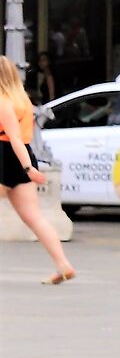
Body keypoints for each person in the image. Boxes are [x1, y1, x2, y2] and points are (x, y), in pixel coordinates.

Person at [0, 56, 73, 284]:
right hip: (21, 156)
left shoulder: (3, 102)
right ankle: (63, 264)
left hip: (6, 156)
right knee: (35, 217)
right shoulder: (22, 99)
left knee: (33, 217)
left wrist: (28, 168)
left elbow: (13, 139)